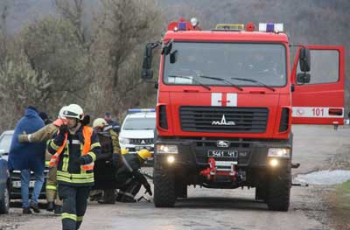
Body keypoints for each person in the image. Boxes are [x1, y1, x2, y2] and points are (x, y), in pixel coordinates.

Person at [47, 104, 101, 230]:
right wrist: (60, 137)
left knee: (79, 213)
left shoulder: (90, 132)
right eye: (67, 118)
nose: (68, 121)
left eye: (71, 118)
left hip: (84, 181)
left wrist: (85, 159)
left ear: (78, 119)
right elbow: (51, 149)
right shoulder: (62, 132)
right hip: (65, 180)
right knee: (68, 210)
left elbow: (97, 150)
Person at [18, 106, 68, 214]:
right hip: (67, 161)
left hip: (53, 159)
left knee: (51, 182)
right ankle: (59, 206)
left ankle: (50, 203)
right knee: (63, 183)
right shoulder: (74, 129)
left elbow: (36, 136)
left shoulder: (52, 127)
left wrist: (23, 138)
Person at [8, 106, 46, 214]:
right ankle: (34, 201)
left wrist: (12, 157)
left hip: (23, 158)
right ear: (36, 112)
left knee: (24, 181)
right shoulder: (40, 122)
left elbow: (15, 141)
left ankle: (25, 206)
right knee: (40, 178)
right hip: (37, 156)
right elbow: (43, 140)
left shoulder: (21, 122)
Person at [90, 118, 121, 204]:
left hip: (108, 160)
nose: (96, 130)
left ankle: (109, 198)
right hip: (99, 159)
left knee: (109, 181)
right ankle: (96, 196)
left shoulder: (111, 134)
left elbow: (116, 146)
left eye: (97, 129)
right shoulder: (96, 134)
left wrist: (115, 156)